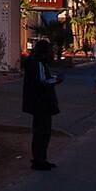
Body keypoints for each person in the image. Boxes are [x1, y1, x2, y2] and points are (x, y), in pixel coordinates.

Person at [22, 37, 63, 170]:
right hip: (41, 103)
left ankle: (41, 158)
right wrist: (56, 80)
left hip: (38, 103)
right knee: (42, 132)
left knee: (41, 131)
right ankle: (39, 159)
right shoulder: (37, 63)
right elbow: (42, 82)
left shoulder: (35, 62)